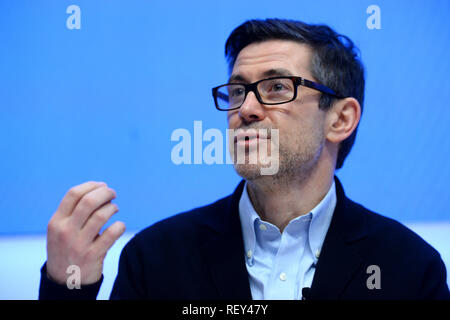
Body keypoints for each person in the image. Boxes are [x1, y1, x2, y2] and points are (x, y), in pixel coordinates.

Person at [39, 18, 450, 300]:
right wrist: (65, 287)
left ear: (340, 119)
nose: (245, 110)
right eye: (237, 92)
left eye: (275, 88)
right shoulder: (157, 258)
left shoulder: (408, 268)